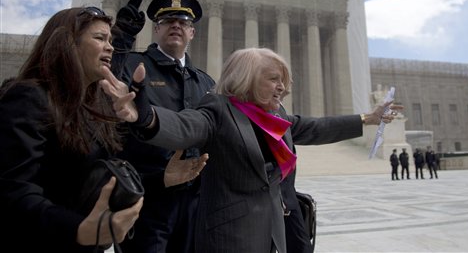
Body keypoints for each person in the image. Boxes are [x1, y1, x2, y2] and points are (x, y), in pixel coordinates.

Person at [103, 47, 402, 253]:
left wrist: (368, 118)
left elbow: (315, 127)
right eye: (274, 79)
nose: (282, 88)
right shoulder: (217, 110)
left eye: (284, 82)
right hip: (229, 237)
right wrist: (144, 116)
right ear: (246, 78)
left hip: (273, 232)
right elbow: (185, 127)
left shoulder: (276, 117)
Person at [0, 7, 143, 253]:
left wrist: (138, 116)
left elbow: (113, 163)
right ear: (68, 43)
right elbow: (14, 190)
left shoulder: (94, 107)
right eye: (100, 38)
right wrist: (79, 229)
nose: (110, 47)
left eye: (111, 40)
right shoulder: (29, 97)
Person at [112, 0, 213, 253]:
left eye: (183, 22)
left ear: (192, 33)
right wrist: (120, 39)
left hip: (193, 202)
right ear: (156, 29)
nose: (176, 26)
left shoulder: (205, 82)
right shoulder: (133, 65)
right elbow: (102, 86)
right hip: (146, 198)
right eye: (168, 21)